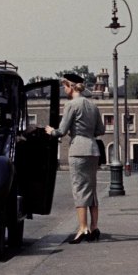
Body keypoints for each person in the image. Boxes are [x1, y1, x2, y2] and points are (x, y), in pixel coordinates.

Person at [45, 73, 106, 244]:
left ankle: (82, 228)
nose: (64, 90)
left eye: (65, 86)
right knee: (91, 189)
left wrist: (51, 131)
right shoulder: (93, 106)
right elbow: (100, 130)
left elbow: (62, 130)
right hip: (93, 150)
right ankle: (94, 228)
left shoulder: (71, 105)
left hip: (78, 150)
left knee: (79, 188)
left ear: (71, 87)